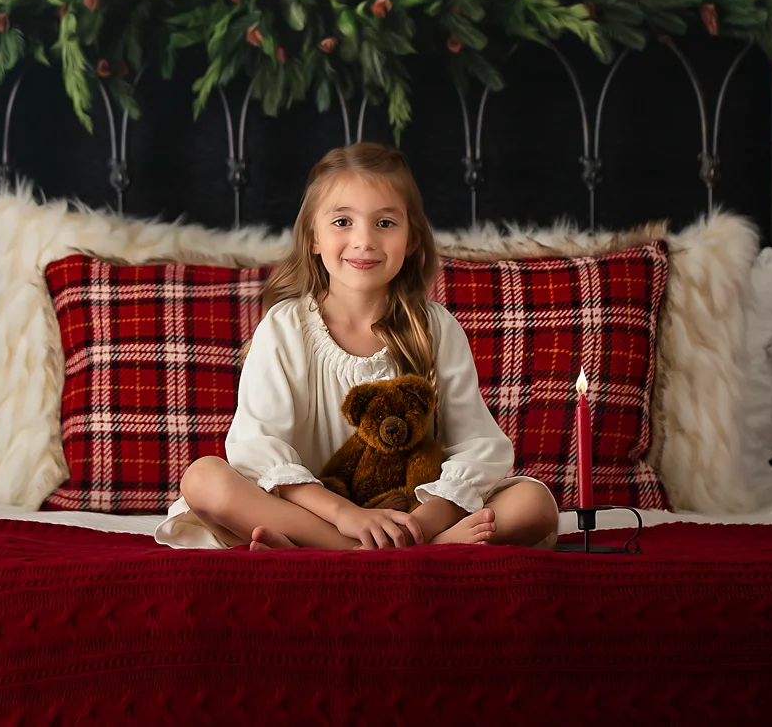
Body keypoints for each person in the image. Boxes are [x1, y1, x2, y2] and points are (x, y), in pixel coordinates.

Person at [158, 143, 560, 550]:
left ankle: (383, 546)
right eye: (342, 221)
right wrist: (345, 514)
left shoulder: (436, 329)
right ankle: (360, 550)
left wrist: (420, 522)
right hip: (316, 511)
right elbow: (258, 449)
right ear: (314, 237)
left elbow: (477, 446)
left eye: (385, 223)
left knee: (535, 504)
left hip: (412, 509)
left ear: (413, 239)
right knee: (204, 478)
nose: (364, 240)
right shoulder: (284, 328)